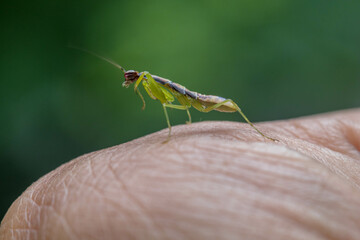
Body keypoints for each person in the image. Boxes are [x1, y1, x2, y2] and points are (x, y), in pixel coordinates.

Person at [1, 109, 360, 240]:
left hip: (196, 98)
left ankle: (260, 132)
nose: (130, 80)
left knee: (223, 104)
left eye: (131, 77)